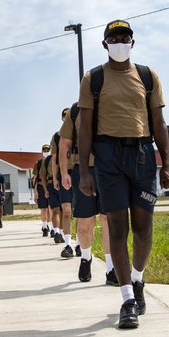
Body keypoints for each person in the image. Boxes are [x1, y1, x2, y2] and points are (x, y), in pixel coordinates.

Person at [77, 20, 169, 330]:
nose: (120, 41)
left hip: (142, 156)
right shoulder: (93, 79)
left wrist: (167, 163)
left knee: (143, 228)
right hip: (108, 159)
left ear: (133, 42)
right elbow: (85, 128)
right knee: (118, 229)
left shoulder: (147, 76)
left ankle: (138, 278)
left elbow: (158, 122)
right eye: (113, 38)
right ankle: (127, 299)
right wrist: (84, 172)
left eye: (125, 37)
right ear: (105, 44)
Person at [59, 102, 115, 284]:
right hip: (83, 171)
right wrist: (64, 173)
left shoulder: (110, 105)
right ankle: (85, 258)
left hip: (108, 170)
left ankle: (111, 268)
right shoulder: (75, 111)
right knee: (85, 223)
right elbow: (65, 143)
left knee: (108, 219)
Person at [50, 110, 77, 258]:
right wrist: (55, 178)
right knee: (66, 211)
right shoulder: (56, 137)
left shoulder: (81, 130)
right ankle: (68, 245)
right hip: (64, 174)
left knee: (81, 211)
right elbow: (54, 160)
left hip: (80, 172)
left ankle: (80, 243)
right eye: (64, 117)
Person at [32, 144, 53, 237]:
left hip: (50, 185)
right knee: (43, 209)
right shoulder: (38, 163)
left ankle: (53, 227)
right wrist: (35, 191)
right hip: (40, 186)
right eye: (44, 150)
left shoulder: (53, 161)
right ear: (42, 152)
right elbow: (35, 178)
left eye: (47, 150)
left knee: (52, 208)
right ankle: (45, 227)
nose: (46, 152)